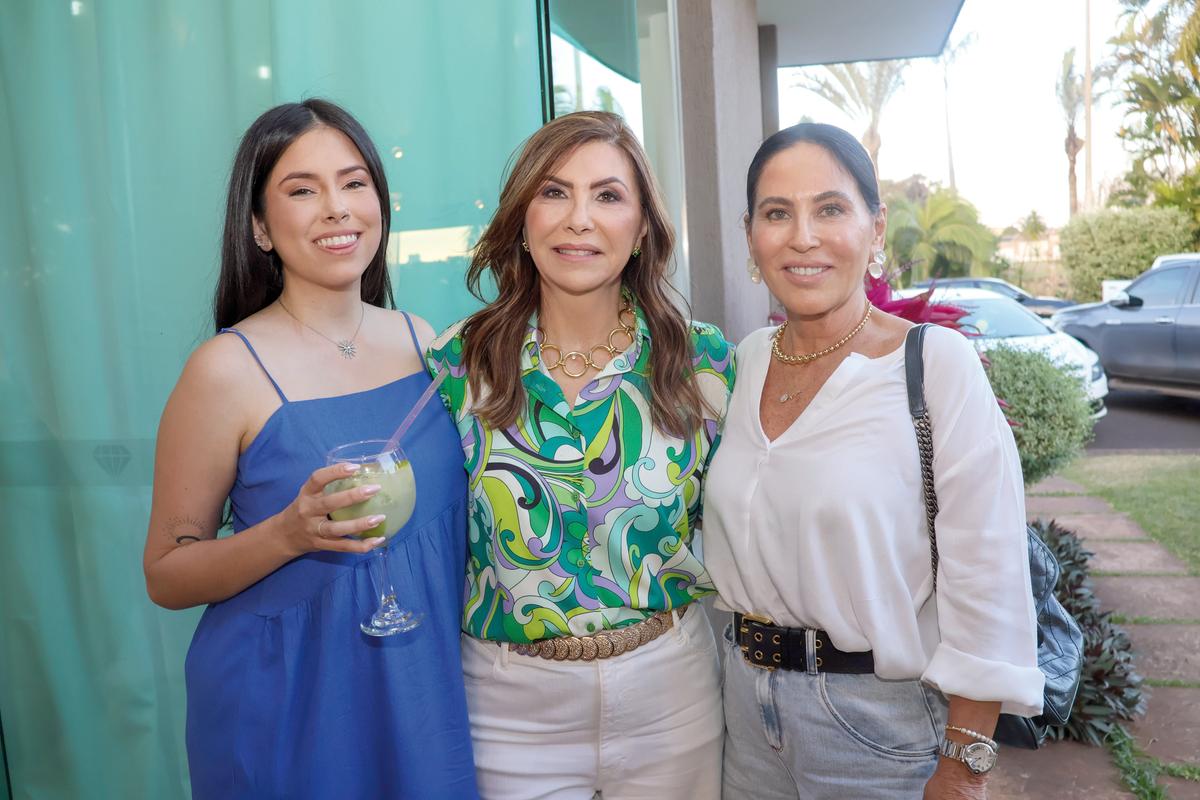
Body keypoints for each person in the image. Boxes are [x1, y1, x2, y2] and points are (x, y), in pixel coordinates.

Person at [143, 99, 478, 799]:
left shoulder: (424, 342)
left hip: (420, 694)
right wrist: (289, 534)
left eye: (354, 183)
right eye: (302, 190)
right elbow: (167, 574)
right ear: (261, 227)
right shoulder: (225, 370)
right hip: (288, 703)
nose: (337, 208)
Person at [702, 122, 1044, 800]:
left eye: (830, 209)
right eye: (777, 213)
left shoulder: (931, 365)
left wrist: (965, 764)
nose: (803, 236)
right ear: (751, 236)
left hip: (875, 727)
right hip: (742, 715)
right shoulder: (742, 363)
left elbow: (990, 573)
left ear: (875, 227)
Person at [425, 111, 735, 800]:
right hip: (508, 709)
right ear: (522, 219)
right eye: (554, 192)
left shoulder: (704, 361)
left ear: (643, 227)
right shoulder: (456, 364)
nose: (579, 219)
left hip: (671, 696)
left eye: (608, 195)